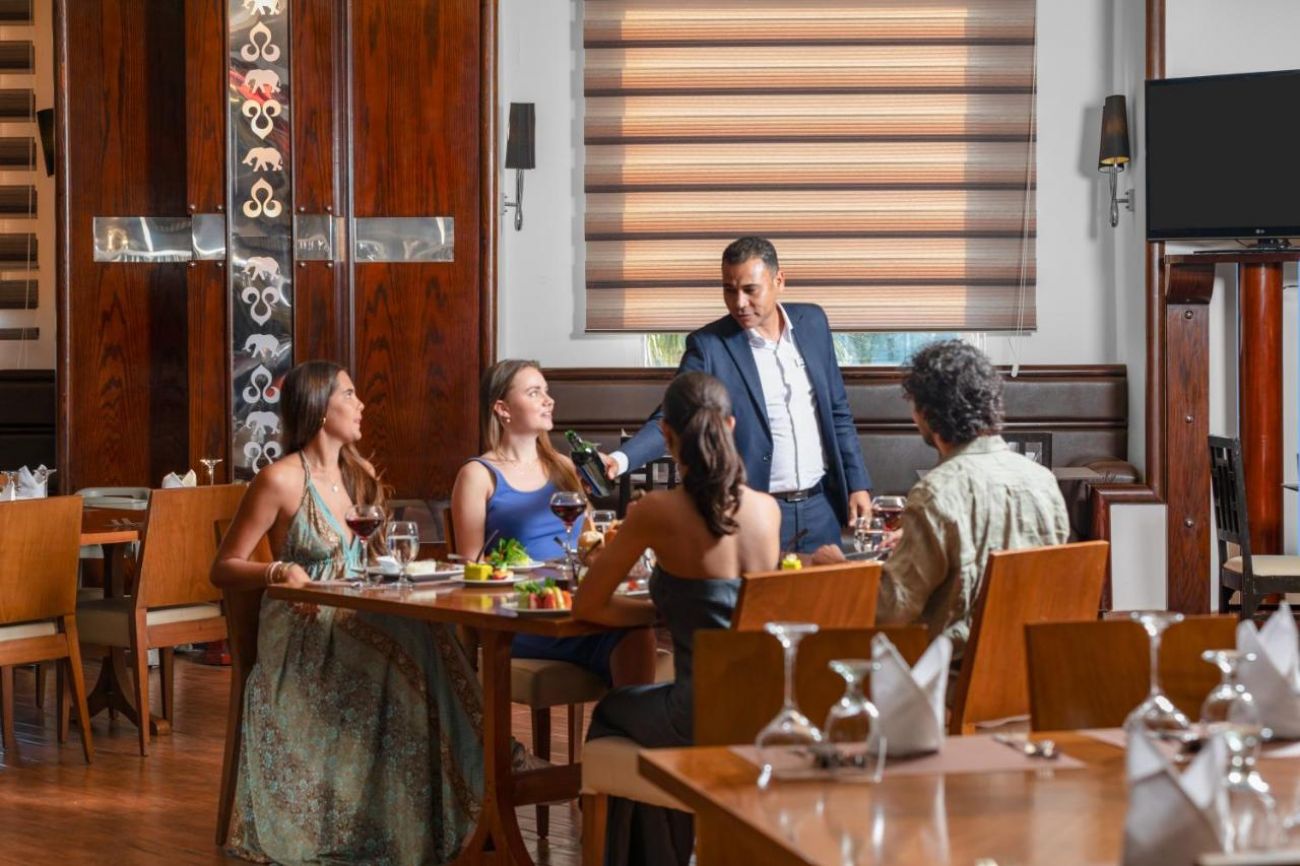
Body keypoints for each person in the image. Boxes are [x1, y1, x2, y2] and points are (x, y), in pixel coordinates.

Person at [212, 360, 484, 865]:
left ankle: (462, 794)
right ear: (320, 406)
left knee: (430, 632)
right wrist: (277, 571)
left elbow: (371, 559)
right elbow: (223, 567)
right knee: (409, 643)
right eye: (350, 394)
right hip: (304, 630)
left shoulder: (360, 476)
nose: (361, 405)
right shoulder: (278, 480)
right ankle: (473, 783)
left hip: (359, 614)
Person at [575, 371, 782, 866]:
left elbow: (589, 605)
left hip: (698, 714)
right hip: (764, 710)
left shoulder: (657, 511)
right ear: (730, 425)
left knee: (612, 711)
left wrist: (659, 608)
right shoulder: (767, 511)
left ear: (666, 434)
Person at [601, 236, 871, 553]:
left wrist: (858, 484)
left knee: (828, 587)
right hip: (754, 512)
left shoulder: (813, 322)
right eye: (729, 290)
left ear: (779, 281)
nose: (739, 302)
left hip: (821, 507)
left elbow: (837, 410)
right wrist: (619, 460)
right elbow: (673, 418)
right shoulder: (709, 346)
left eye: (750, 290)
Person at [814, 340, 1070, 658]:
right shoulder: (1043, 481)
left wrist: (839, 571)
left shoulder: (935, 492)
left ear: (926, 414)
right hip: (1028, 667)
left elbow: (891, 609)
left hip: (953, 675)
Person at [450, 359, 657, 687]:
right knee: (631, 632)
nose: (549, 400)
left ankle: (625, 715)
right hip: (521, 613)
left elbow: (590, 544)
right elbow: (470, 566)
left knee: (638, 625)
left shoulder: (564, 467)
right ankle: (627, 714)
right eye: (534, 393)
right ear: (503, 409)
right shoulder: (477, 475)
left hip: (576, 603)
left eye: (546, 391)